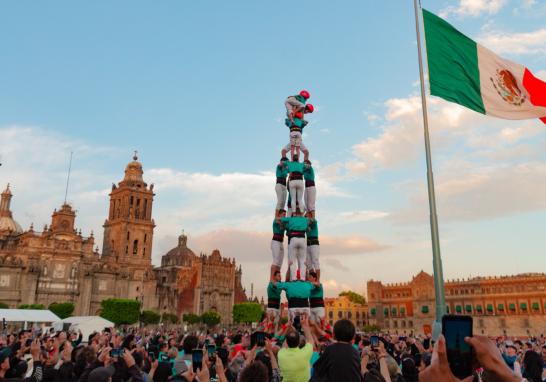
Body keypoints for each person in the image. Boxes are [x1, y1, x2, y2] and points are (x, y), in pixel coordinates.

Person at [278, 315, 315, 382]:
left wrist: (288, 326)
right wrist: (304, 325)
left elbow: (284, 345)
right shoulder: (304, 354)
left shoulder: (281, 354)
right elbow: (311, 341)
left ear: (286, 341)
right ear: (298, 343)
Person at [280, 211, 309, 280]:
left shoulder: (290, 219)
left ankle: (293, 278)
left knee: (292, 261)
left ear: (294, 213)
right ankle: (302, 278)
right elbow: (312, 221)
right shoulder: (305, 219)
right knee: (303, 260)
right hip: (302, 239)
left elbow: (281, 219)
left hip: (293, 239)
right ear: (301, 213)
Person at [270, 210, 286, 282]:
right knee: (275, 260)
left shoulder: (283, 222)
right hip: (276, 241)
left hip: (280, 242)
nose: (284, 216)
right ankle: (272, 278)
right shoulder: (276, 220)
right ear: (279, 215)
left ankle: (277, 277)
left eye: (285, 215)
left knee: (280, 262)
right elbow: (277, 220)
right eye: (283, 214)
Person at [306, 212, 320, 280]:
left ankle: (317, 280)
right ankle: (312, 278)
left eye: (307, 216)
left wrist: (309, 218)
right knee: (308, 263)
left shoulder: (313, 221)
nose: (306, 217)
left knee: (315, 261)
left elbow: (314, 220)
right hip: (308, 244)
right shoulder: (306, 224)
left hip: (314, 243)